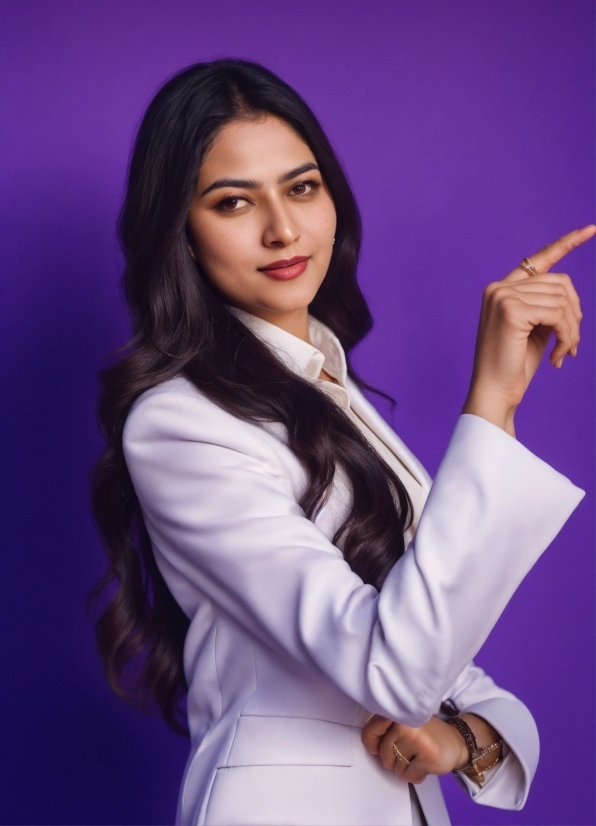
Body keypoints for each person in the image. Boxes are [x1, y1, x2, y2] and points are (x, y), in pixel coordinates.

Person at [90, 58, 593, 826]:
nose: (283, 229)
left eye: (301, 187)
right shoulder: (179, 424)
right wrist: (490, 402)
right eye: (233, 202)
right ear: (181, 234)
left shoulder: (327, 385)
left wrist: (473, 733)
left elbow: (434, 627)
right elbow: (393, 666)